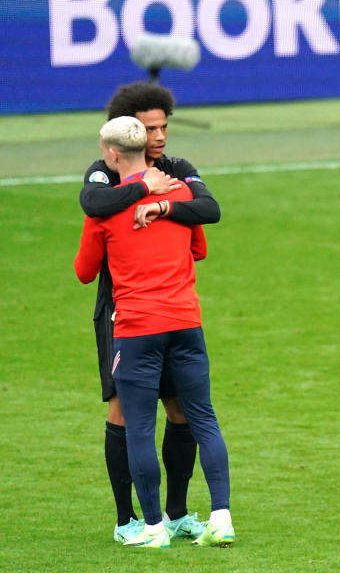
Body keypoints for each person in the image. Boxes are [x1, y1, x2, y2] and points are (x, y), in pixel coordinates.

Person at [74, 117, 234, 549]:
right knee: (203, 417)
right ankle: (221, 518)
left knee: (140, 427)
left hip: (137, 328)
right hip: (186, 321)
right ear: (149, 146)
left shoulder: (103, 209)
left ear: (110, 155)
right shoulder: (181, 192)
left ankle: (152, 530)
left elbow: (84, 272)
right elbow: (199, 248)